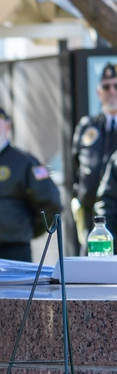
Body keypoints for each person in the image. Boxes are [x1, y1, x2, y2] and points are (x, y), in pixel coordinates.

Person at [0, 98, 61, 283]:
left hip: (11, 257)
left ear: (6, 127)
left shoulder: (24, 162)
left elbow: (50, 204)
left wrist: (23, 230)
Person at [71, 62, 117, 248]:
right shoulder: (87, 126)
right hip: (92, 222)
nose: (112, 91)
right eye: (106, 86)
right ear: (99, 92)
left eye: (116, 85)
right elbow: (75, 166)